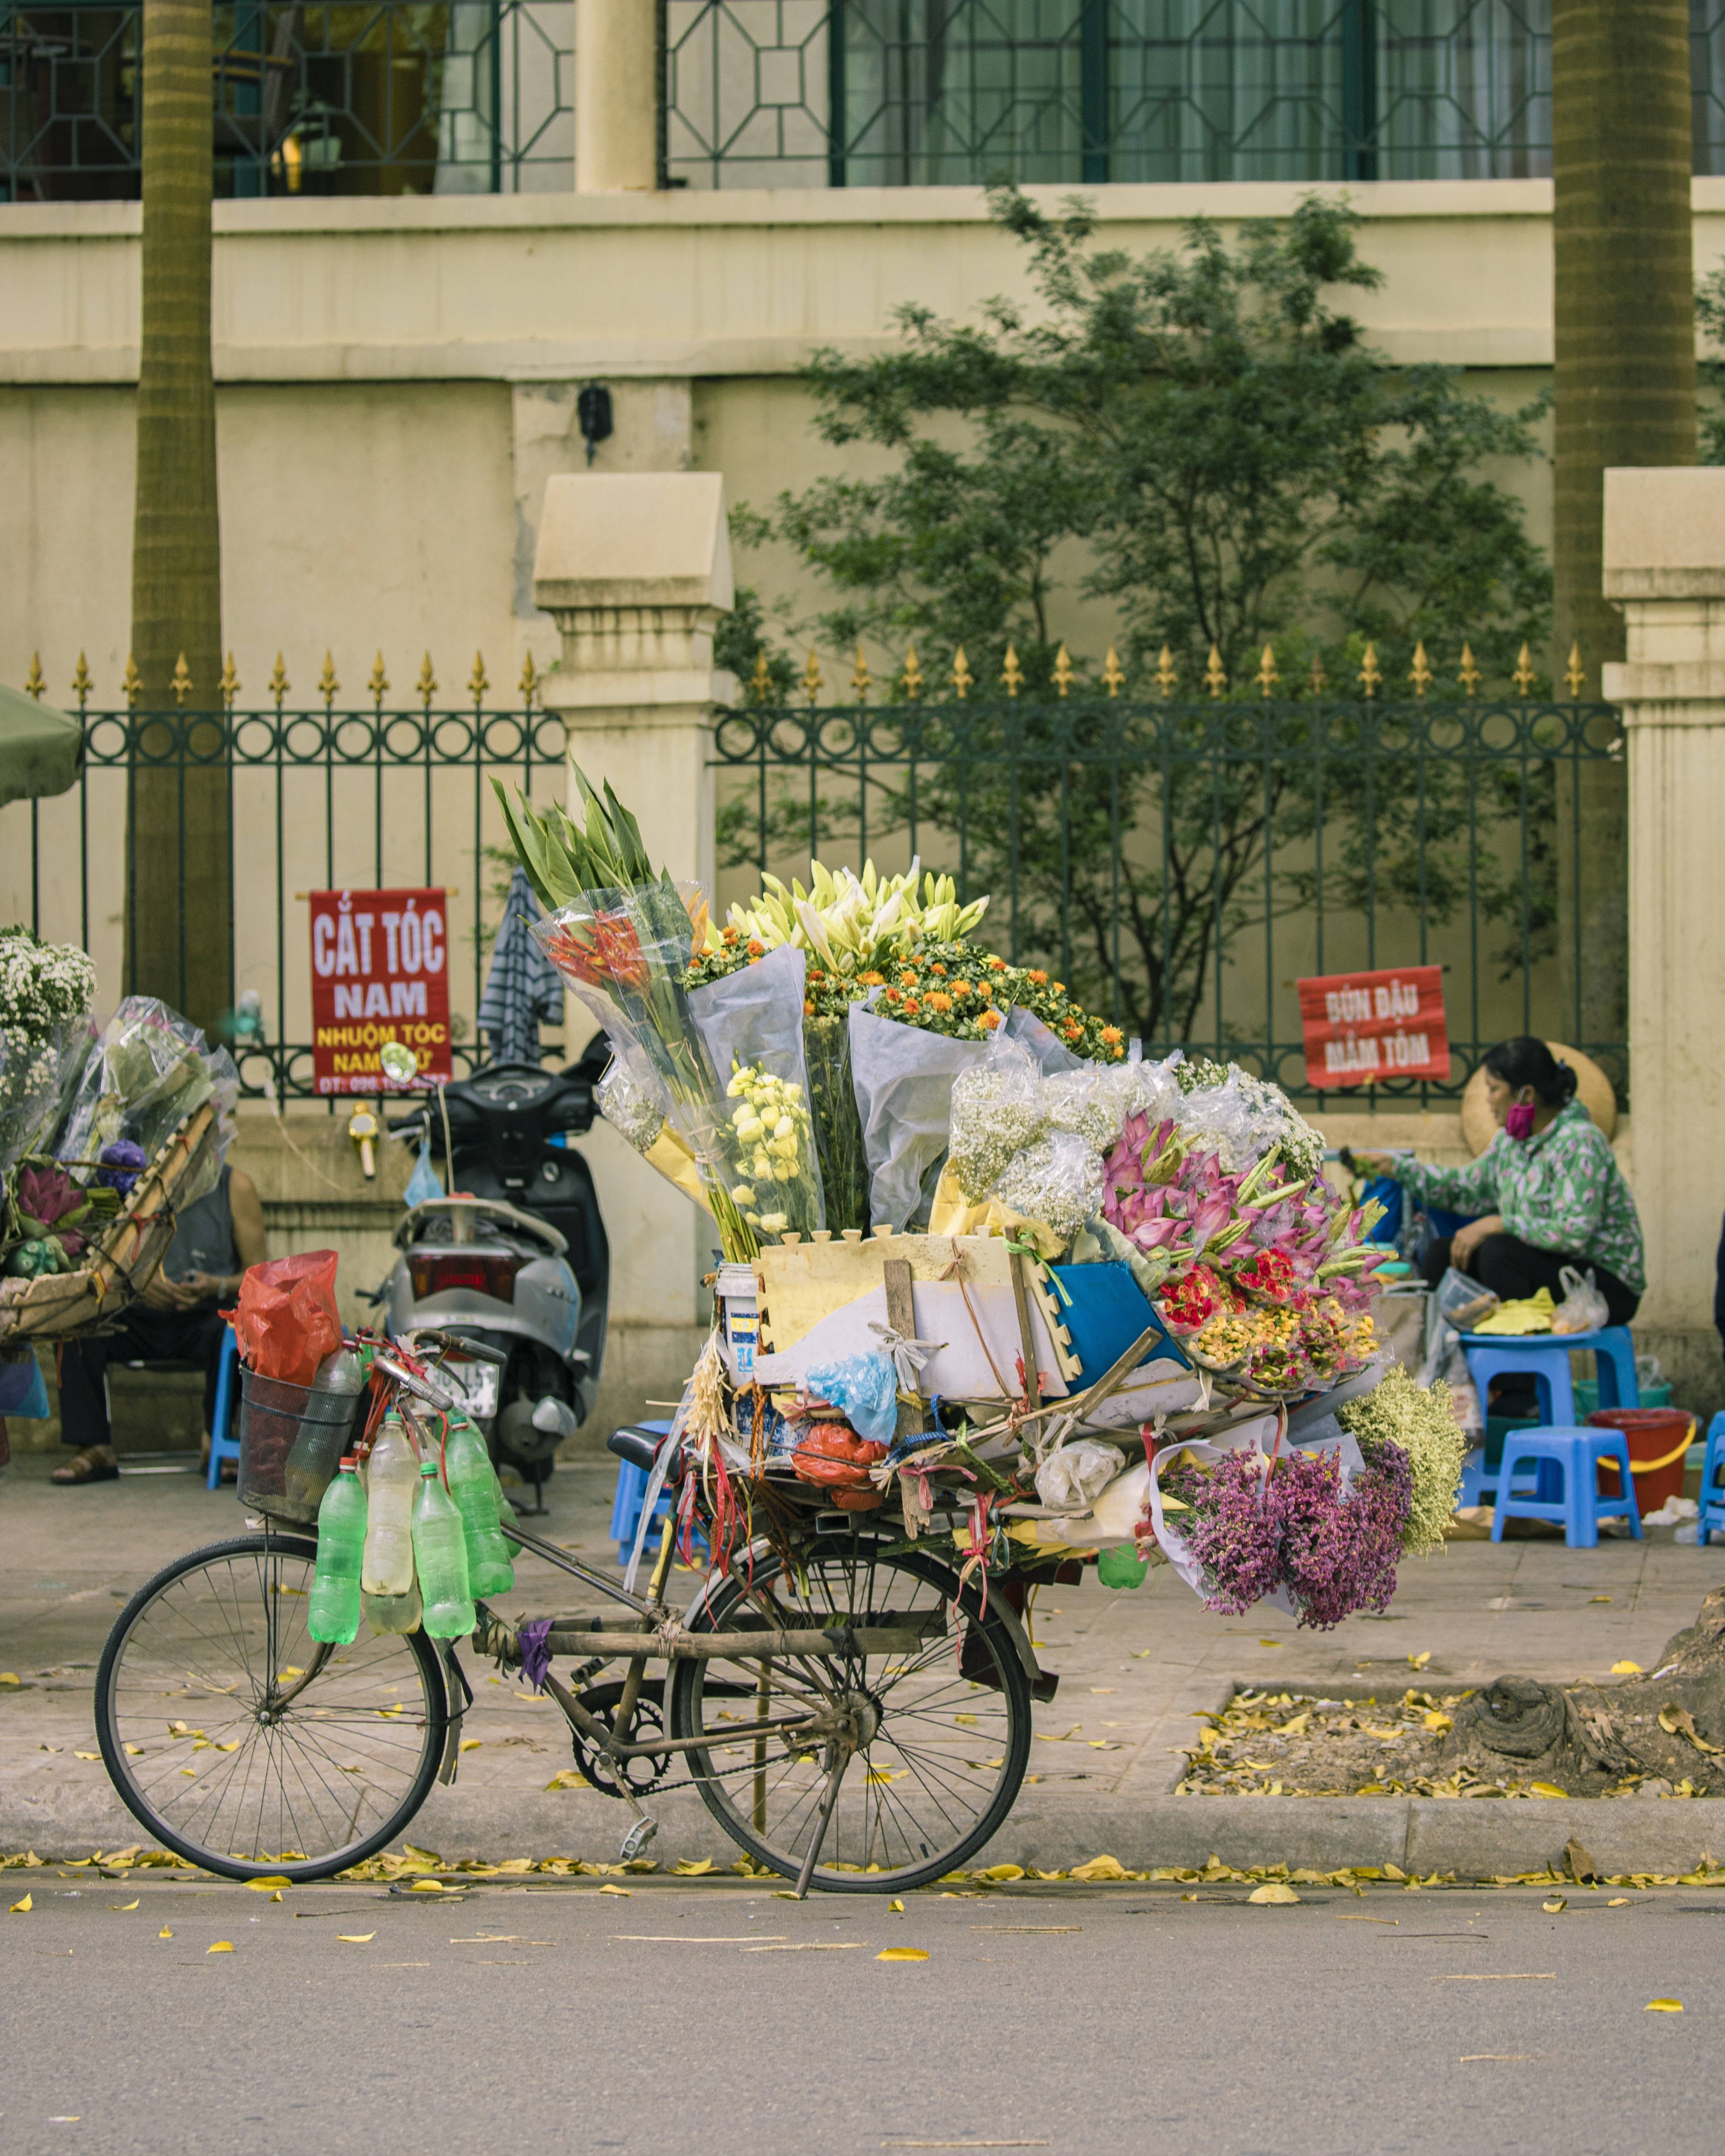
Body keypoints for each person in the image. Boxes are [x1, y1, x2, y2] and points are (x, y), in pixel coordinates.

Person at [1353, 1037, 1644, 1328]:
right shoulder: (1510, 1144)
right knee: (1443, 1253)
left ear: (1526, 1095)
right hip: (1547, 1267)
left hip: (1604, 1284)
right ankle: (1447, 1363)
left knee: (1499, 1253)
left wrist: (1497, 1224)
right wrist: (1397, 1168)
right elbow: (1464, 1189)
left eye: (1494, 1090)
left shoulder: (1581, 1143)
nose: (1489, 1100)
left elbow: (1573, 1232)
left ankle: (1519, 1369)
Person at [51, 1164, 267, 1484]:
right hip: (136, 1312)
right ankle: (95, 1447)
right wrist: (134, 1281)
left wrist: (214, 1286)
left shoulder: (234, 1186)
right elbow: (93, 1262)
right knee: (76, 1324)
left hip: (205, 1317)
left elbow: (260, 1274)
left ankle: (216, 1437)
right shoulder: (125, 1178)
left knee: (240, 1329)